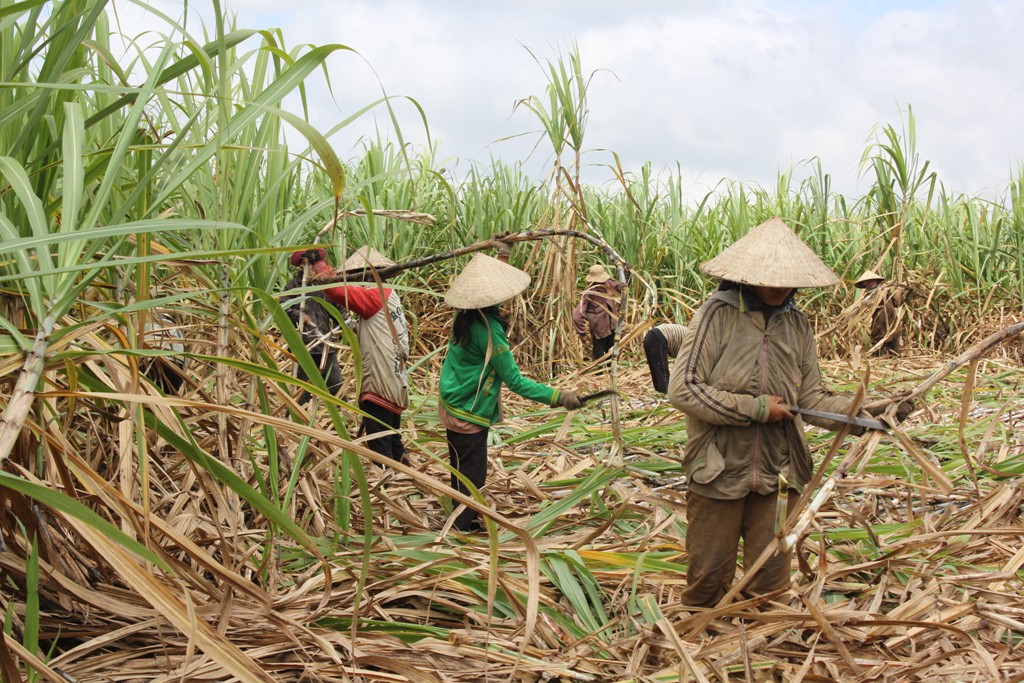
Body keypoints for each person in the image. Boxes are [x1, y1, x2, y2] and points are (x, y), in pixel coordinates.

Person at [667, 217, 911, 608]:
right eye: (770, 279)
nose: (779, 288)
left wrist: (867, 414)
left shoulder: (797, 325)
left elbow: (811, 399)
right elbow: (684, 389)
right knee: (708, 581)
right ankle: (701, 641)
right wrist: (756, 408)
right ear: (748, 277)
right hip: (718, 469)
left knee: (770, 586)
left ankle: (763, 640)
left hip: (778, 471)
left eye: (787, 281)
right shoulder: (717, 315)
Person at [438, 250, 585, 532]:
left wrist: (502, 255)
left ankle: (460, 513)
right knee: (473, 477)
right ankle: (460, 530)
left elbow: (492, 291)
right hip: (469, 409)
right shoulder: (490, 332)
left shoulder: (465, 317)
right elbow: (516, 382)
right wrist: (560, 397)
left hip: (451, 401)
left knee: (460, 467)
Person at [287, 246, 410, 463]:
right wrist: (300, 317)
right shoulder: (389, 294)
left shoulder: (374, 296)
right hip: (390, 376)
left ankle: (387, 473)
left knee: (380, 439)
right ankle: (402, 469)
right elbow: (284, 307)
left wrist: (320, 266)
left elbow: (336, 294)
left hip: (379, 378)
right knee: (392, 437)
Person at [572, 264, 625, 363]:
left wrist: (627, 273)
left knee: (612, 354)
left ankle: (610, 370)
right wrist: (582, 333)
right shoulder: (589, 293)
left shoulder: (608, 284)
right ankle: (598, 371)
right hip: (599, 331)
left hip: (612, 327)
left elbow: (621, 287)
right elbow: (576, 315)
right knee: (599, 357)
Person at [854, 269, 902, 355]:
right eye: (866, 283)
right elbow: (868, 307)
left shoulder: (886, 291)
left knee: (895, 353)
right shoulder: (868, 296)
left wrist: (905, 293)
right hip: (880, 326)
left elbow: (897, 303)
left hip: (893, 325)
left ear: (876, 281)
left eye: (871, 282)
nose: (868, 284)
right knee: (878, 353)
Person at [643, 323, 687, 394]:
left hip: (650, 336)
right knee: (662, 372)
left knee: (656, 371)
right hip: (658, 337)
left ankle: (660, 393)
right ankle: (665, 395)